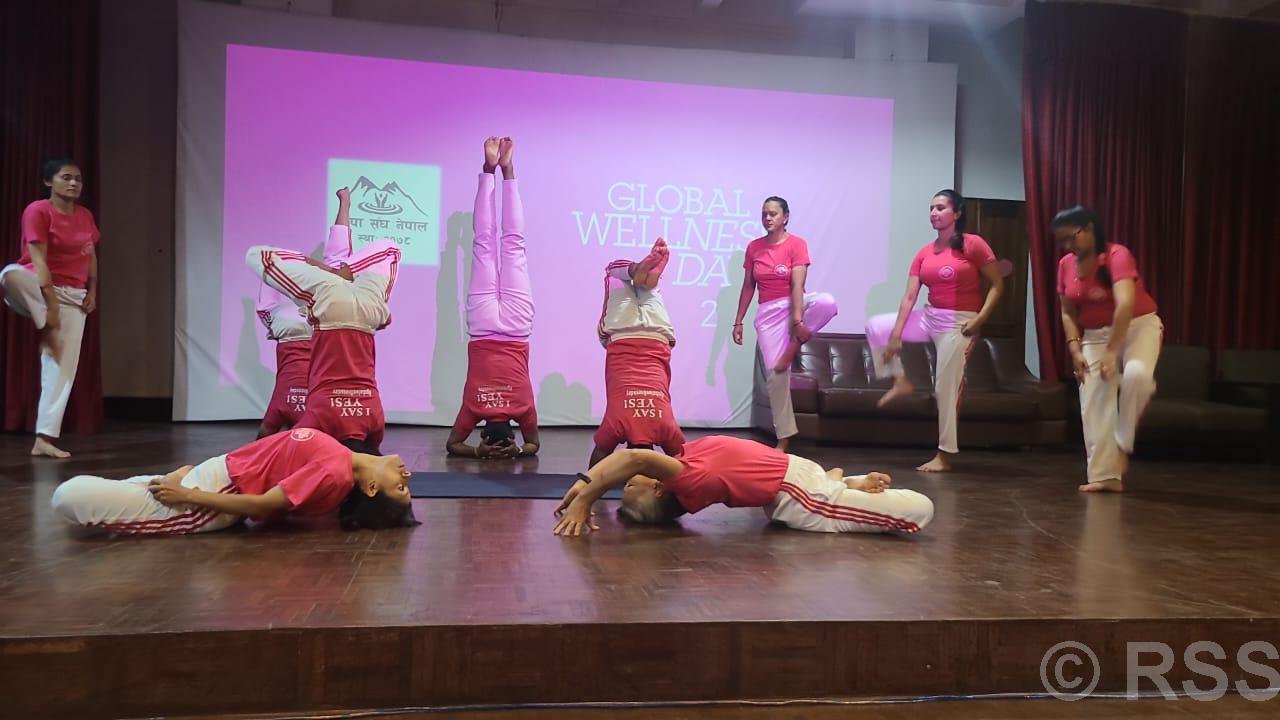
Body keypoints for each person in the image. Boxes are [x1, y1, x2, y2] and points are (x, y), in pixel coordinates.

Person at [50, 427, 416, 535]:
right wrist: (189, 474)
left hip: (202, 502)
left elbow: (262, 505)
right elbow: (261, 464)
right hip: (204, 480)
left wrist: (188, 494)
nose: (407, 476)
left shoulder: (334, 473)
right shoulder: (338, 456)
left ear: (371, 489)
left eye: (400, 488)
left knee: (68, 495)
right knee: (95, 493)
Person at [865, 190, 1003, 472]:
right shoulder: (924, 253)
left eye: (940, 208)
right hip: (930, 316)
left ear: (957, 213)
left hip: (960, 322)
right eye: (931, 208)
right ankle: (900, 381)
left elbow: (998, 285)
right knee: (876, 326)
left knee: (945, 386)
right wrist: (895, 336)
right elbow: (909, 297)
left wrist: (980, 319)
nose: (933, 213)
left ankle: (945, 454)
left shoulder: (973, 244)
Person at [553, 435, 933, 537]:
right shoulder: (689, 478)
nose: (624, 481)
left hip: (804, 478)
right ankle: (844, 490)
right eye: (629, 486)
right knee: (920, 508)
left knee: (830, 486)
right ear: (657, 489)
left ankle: (846, 484)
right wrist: (585, 498)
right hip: (804, 499)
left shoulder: (685, 460)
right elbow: (633, 457)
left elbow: (629, 462)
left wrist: (584, 486)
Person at [246, 221, 400, 451]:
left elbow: (374, 452)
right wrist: (314, 267)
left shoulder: (375, 421)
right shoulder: (318, 419)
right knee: (258, 256)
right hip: (329, 309)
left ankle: (340, 272)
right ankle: (337, 272)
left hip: (368, 312)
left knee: (390, 249)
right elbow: (277, 449)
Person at [1054, 205, 1162, 493]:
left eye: (1072, 237)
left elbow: (1125, 303)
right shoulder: (1066, 264)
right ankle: (1106, 476)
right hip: (1095, 335)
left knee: (1137, 376)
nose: (1068, 245)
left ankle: (1122, 445)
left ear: (1089, 228)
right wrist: (1075, 350)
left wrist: (1113, 353)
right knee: (1093, 395)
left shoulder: (1117, 255)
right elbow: (1067, 311)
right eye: (1062, 241)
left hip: (1138, 325)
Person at [447, 137, 540, 459]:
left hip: (515, 328)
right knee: (484, 244)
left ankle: (507, 170)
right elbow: (454, 445)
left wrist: (518, 450)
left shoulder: (523, 410)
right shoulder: (473, 410)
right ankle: (490, 171)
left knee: (514, 244)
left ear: (512, 431)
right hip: (483, 325)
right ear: (483, 430)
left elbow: (534, 445)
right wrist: (478, 452)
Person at [0, 158, 100, 458]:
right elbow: (38, 258)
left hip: (73, 296)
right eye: (66, 177)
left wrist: (93, 291)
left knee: (61, 370)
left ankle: (44, 439)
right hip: (37, 287)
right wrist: (51, 310)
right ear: (48, 181)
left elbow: (90, 257)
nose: (73, 183)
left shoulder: (85, 216)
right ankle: (46, 323)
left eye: (78, 179)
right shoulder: (38, 210)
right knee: (9, 275)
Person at [731, 197, 837, 452]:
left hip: (792, 302)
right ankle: (784, 437)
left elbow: (798, 285)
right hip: (768, 313)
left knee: (827, 302)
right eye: (764, 214)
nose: (768, 218)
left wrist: (798, 321)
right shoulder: (754, 247)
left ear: (785, 217)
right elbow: (748, 286)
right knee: (776, 377)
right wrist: (738, 321)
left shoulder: (796, 244)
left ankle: (793, 347)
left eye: (773, 214)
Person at [254, 186, 358, 438]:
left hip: (301, 326)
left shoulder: (305, 414)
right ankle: (344, 202)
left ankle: (344, 202)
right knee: (336, 265)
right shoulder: (290, 412)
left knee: (336, 265)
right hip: (304, 326)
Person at [589, 239, 685, 467]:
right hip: (622, 333)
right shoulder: (615, 428)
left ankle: (648, 276)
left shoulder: (667, 430)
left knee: (650, 292)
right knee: (613, 273)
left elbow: (684, 465)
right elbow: (592, 472)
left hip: (658, 334)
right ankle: (638, 271)